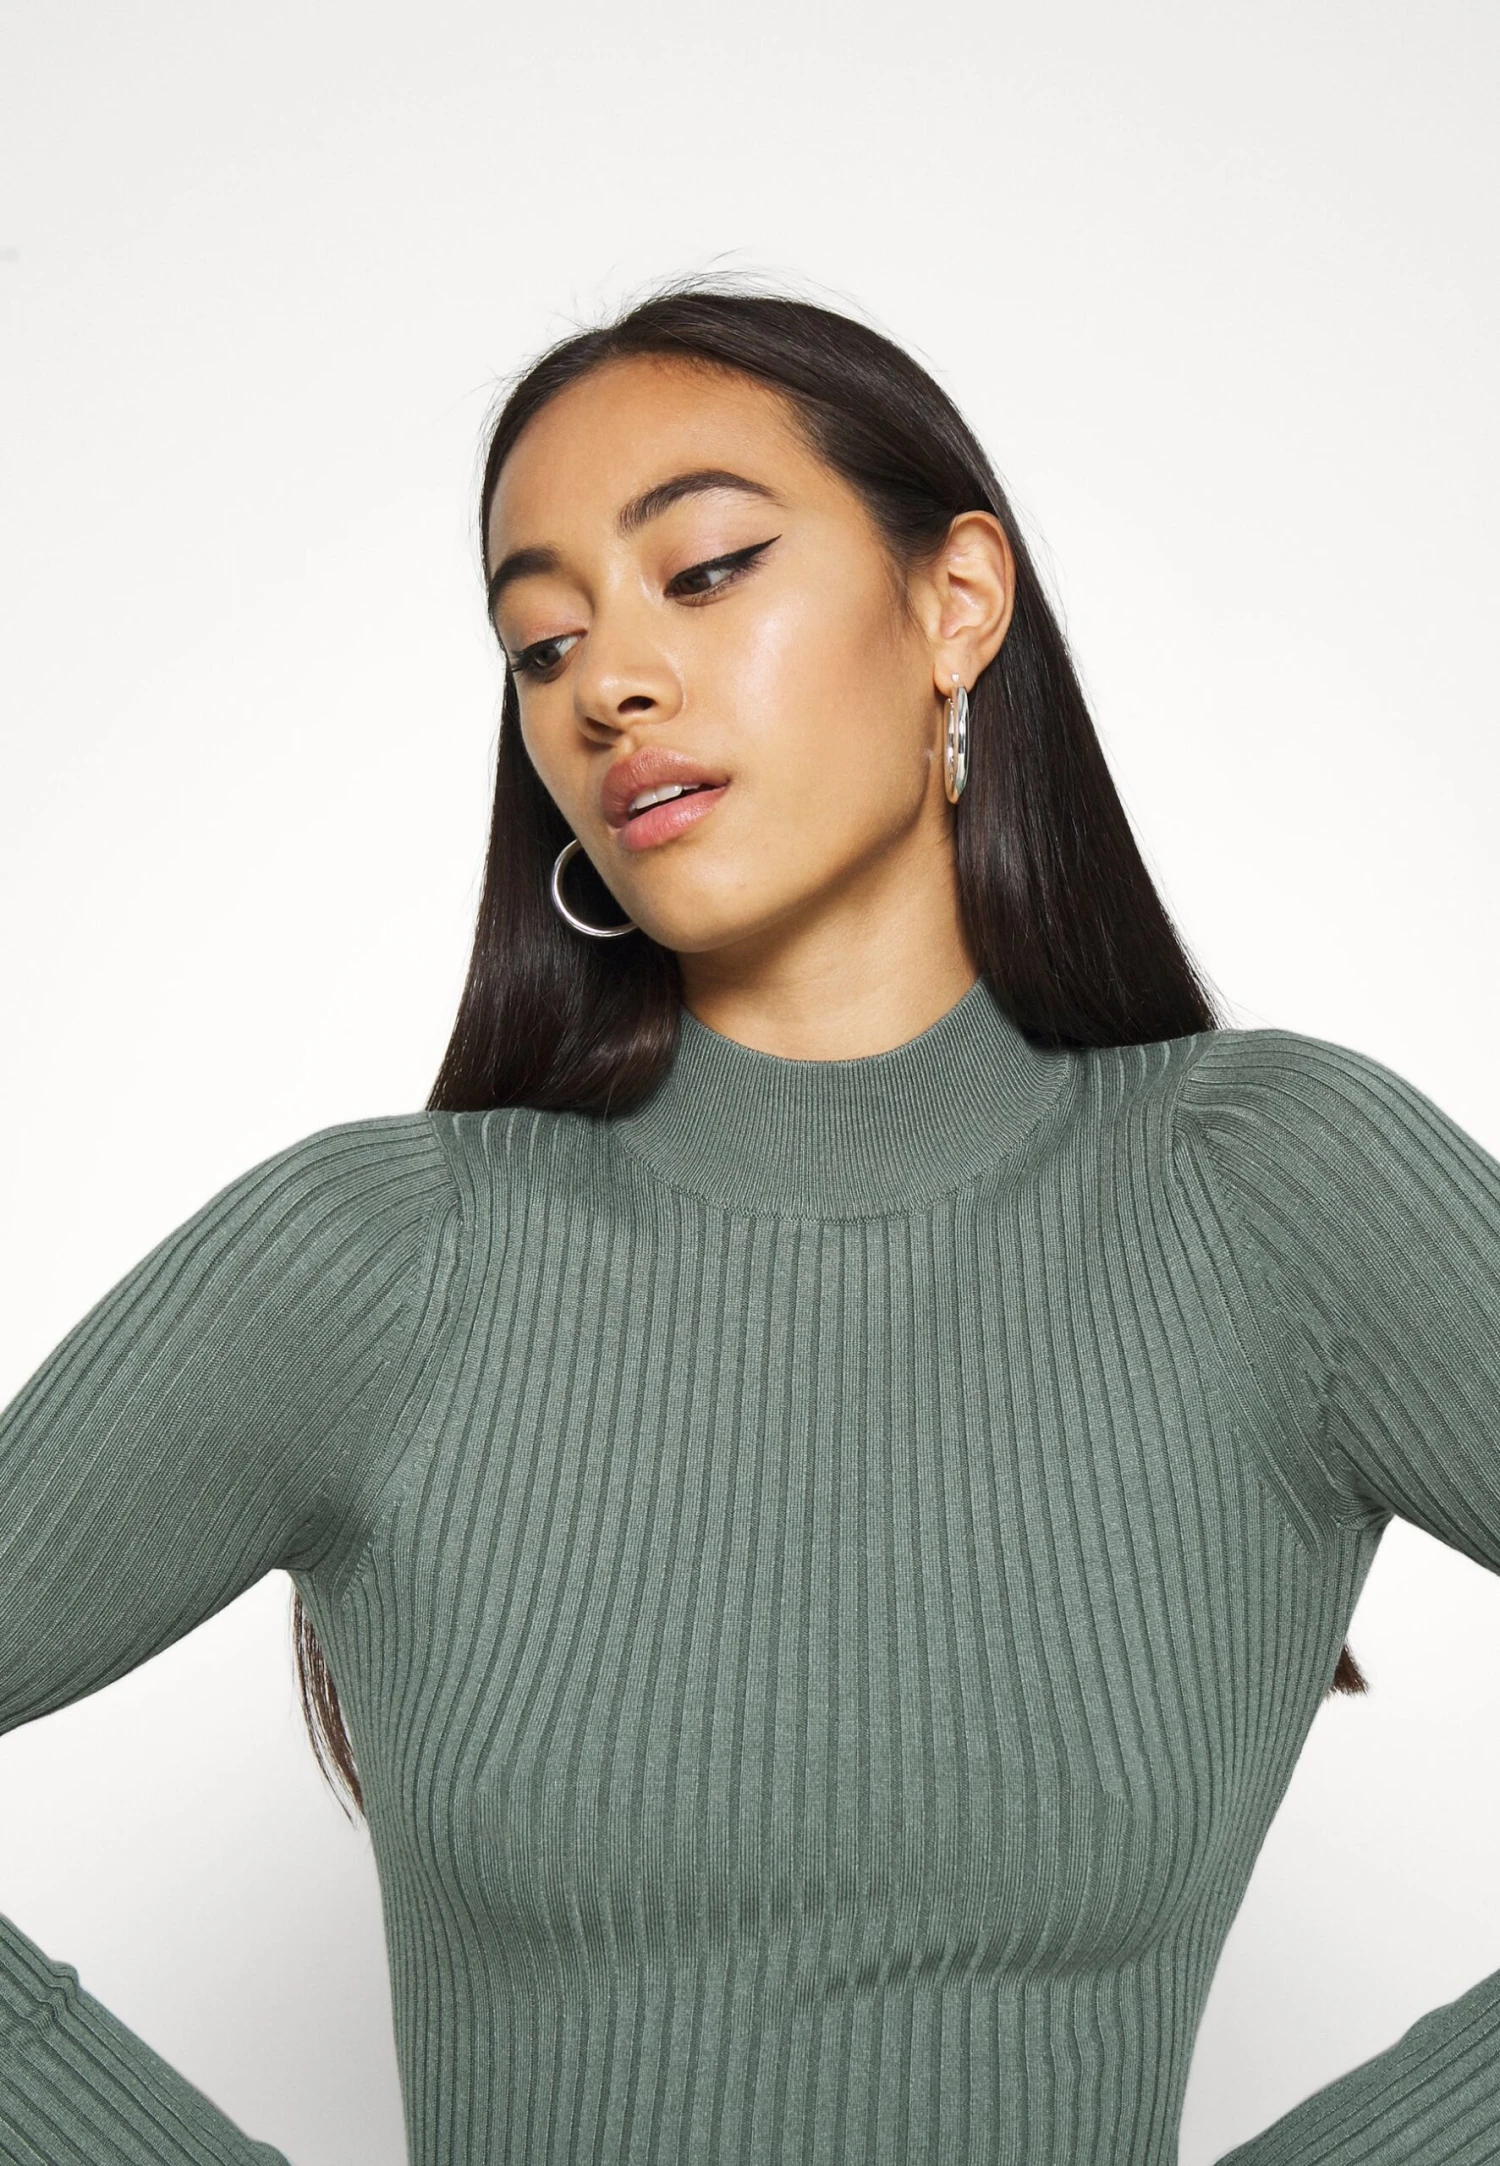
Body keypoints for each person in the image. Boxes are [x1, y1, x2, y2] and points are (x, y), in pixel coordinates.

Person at [2, 277, 1498, 2166]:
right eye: (542, 643)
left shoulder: (1271, 1200)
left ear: (956, 601)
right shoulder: (381, 1262)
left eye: (703, 570)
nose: (608, 684)